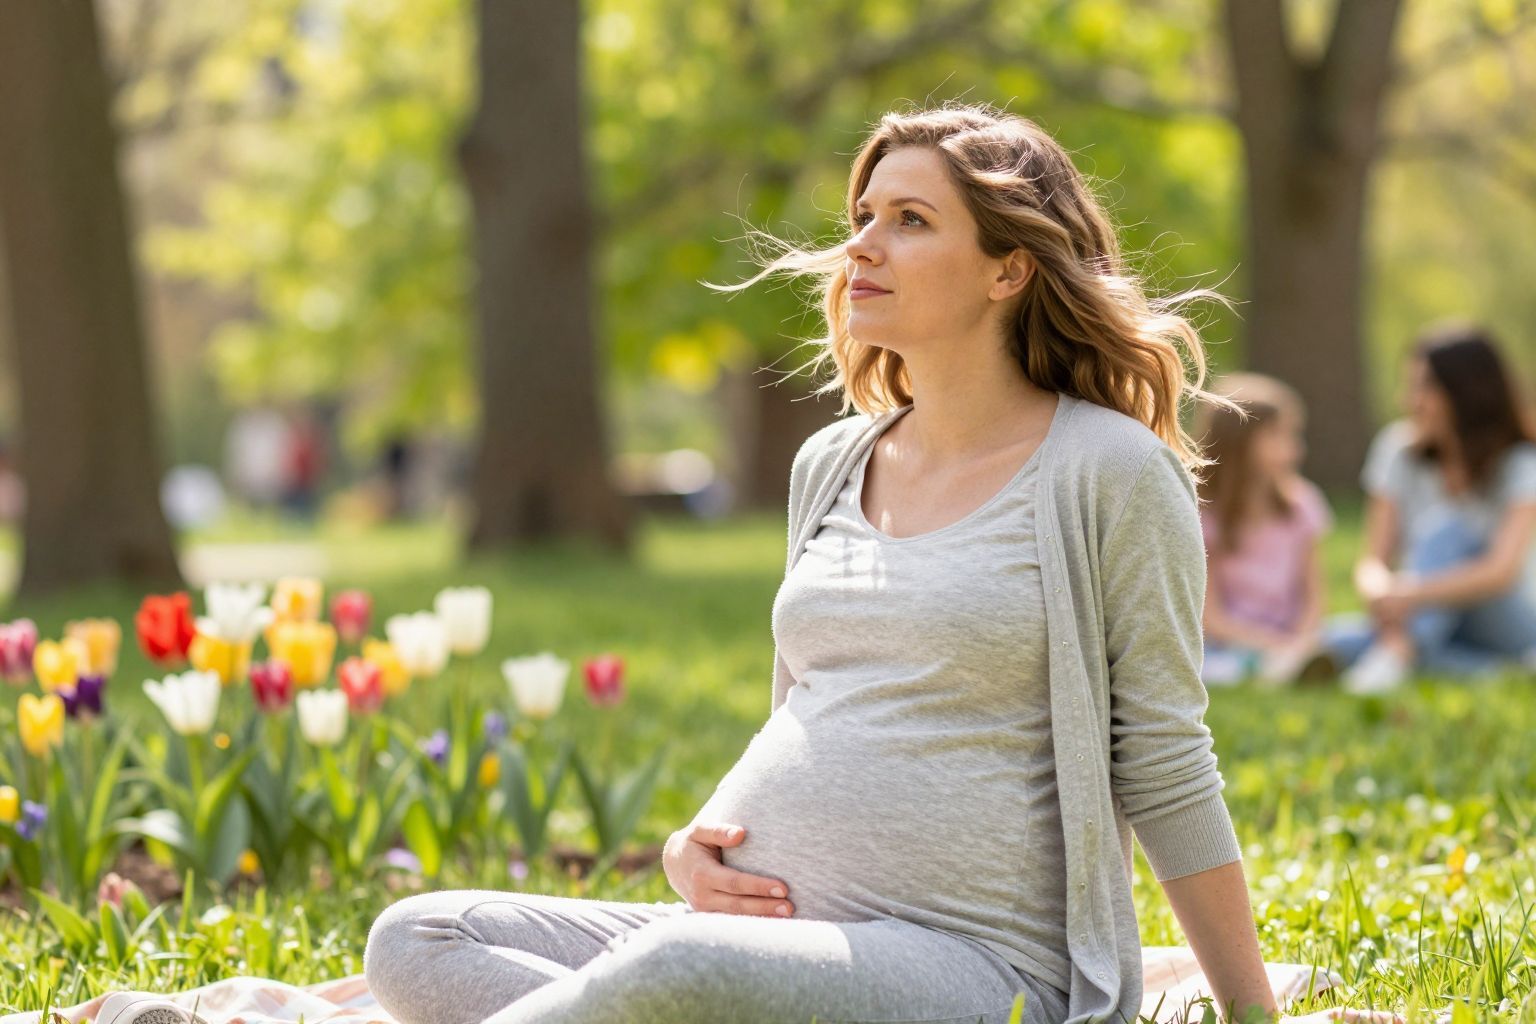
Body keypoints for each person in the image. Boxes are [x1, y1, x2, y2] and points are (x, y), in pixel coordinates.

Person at [363, 103, 1402, 1024]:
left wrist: (1253, 1015)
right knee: (417, 937)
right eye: (863, 215)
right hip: (774, 937)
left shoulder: (1109, 470)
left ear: (1010, 266)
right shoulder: (831, 460)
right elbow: (810, 709)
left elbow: (1167, 759)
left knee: (681, 968)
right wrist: (697, 844)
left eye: (910, 220)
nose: (861, 245)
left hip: (983, 967)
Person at [1326, 322, 1536, 695]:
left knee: (1448, 531)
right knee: (1334, 640)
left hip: (1506, 618)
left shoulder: (1520, 463)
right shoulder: (1397, 451)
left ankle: (1397, 650)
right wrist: (1380, 590)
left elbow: (1500, 572)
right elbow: (1372, 559)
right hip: (1426, 615)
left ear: (1467, 392)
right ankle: (1504, 671)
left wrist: (1411, 594)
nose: (1411, 400)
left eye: (1425, 387)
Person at [1193, 373, 1337, 688]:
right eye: (1278, 435)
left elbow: (1314, 598)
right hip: (1230, 645)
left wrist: (1302, 639)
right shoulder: (1206, 517)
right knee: (1212, 668)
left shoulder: (1303, 505)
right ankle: (1279, 669)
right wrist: (1276, 646)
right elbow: (1211, 618)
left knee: (1351, 637)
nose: (1294, 450)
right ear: (1238, 443)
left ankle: (1293, 666)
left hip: (1292, 636)